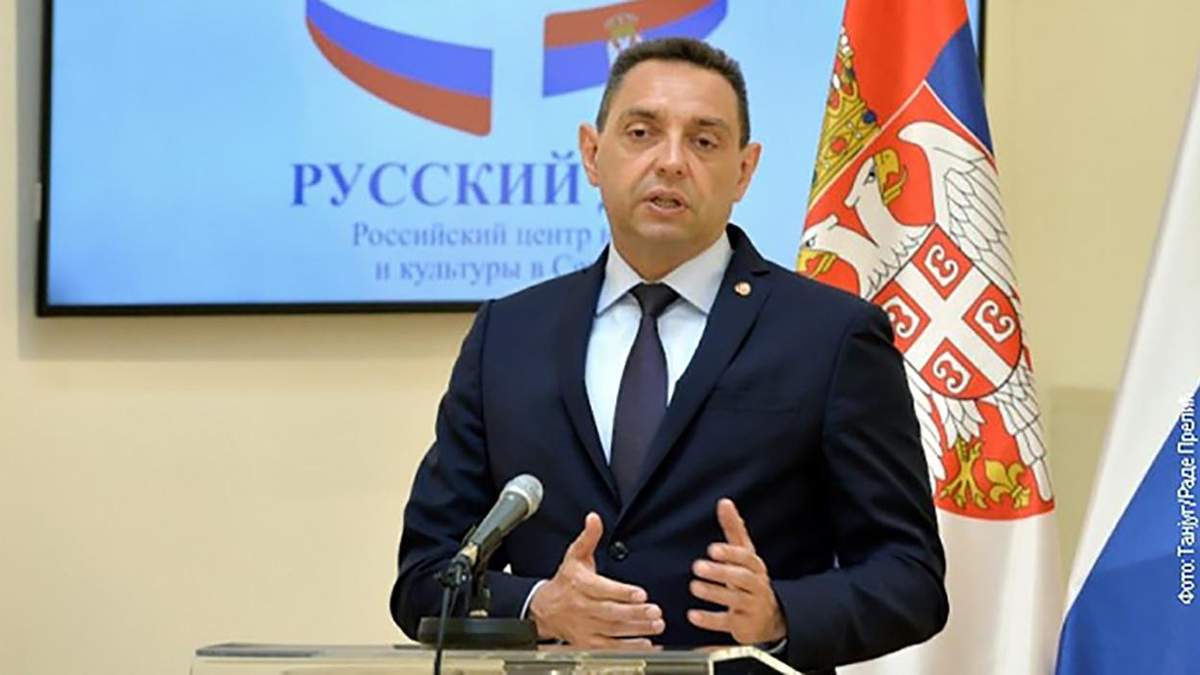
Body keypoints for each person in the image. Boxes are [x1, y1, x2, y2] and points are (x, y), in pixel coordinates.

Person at [390, 37, 948, 673]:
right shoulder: (510, 334)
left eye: (704, 141)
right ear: (592, 153)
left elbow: (911, 578)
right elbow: (425, 575)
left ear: (745, 171)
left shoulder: (830, 336)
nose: (672, 161)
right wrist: (539, 605)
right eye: (642, 133)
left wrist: (781, 613)